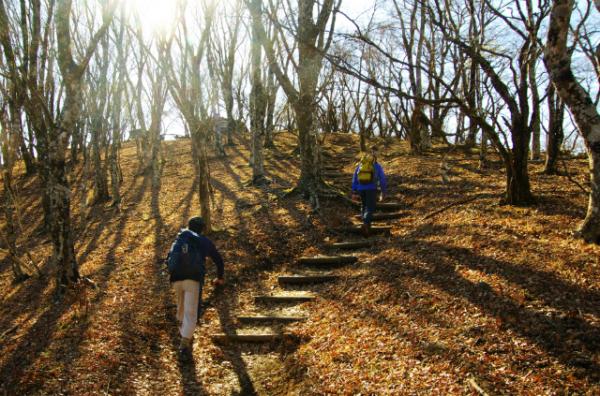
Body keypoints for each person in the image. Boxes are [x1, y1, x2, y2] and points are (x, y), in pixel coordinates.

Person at [167, 216, 224, 359]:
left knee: (181, 310)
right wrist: (220, 277)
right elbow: (218, 260)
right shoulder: (204, 241)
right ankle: (184, 344)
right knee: (191, 313)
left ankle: (184, 335)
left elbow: (169, 259)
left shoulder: (180, 238)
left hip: (176, 279)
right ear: (202, 228)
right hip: (193, 279)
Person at [351, 145, 387, 236]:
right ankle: (366, 224)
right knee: (370, 207)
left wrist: (354, 191)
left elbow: (355, 178)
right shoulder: (377, 166)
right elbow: (382, 179)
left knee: (364, 205)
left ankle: (366, 227)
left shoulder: (360, 164)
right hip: (371, 189)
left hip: (360, 188)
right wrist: (383, 191)